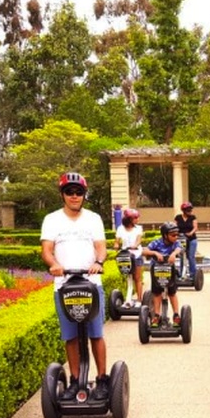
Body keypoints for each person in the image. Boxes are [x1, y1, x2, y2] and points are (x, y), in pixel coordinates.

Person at [40, 172, 110, 401]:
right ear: (62, 194)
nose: (74, 196)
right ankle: (74, 380)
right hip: (64, 286)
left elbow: (101, 247)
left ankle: (101, 379)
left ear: (84, 195)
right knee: (70, 337)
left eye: (78, 192)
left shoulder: (93, 219)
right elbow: (46, 250)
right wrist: (54, 264)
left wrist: (98, 262)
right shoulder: (51, 220)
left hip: (90, 284)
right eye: (69, 192)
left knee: (96, 334)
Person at [142, 222, 183, 328]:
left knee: (172, 292)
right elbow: (144, 251)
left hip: (170, 270)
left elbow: (179, 248)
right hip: (156, 270)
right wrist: (155, 253)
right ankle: (157, 315)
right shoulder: (157, 243)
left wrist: (174, 254)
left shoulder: (175, 244)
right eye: (173, 235)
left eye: (177, 234)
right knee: (157, 293)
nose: (175, 237)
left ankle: (176, 315)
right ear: (165, 235)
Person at [114, 208, 144, 308]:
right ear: (129, 219)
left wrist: (135, 245)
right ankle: (128, 299)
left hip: (136, 255)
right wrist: (116, 245)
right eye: (135, 217)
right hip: (125, 255)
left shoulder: (138, 228)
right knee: (128, 278)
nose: (137, 219)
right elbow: (117, 241)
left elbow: (139, 240)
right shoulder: (120, 228)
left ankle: (139, 300)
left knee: (137, 278)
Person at [175, 202, 198, 279]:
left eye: (190, 210)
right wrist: (176, 234)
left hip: (192, 239)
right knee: (182, 256)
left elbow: (195, 227)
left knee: (191, 256)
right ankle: (182, 273)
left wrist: (191, 233)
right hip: (181, 239)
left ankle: (192, 274)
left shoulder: (193, 217)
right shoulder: (178, 217)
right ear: (184, 210)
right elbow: (174, 227)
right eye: (188, 210)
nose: (190, 211)